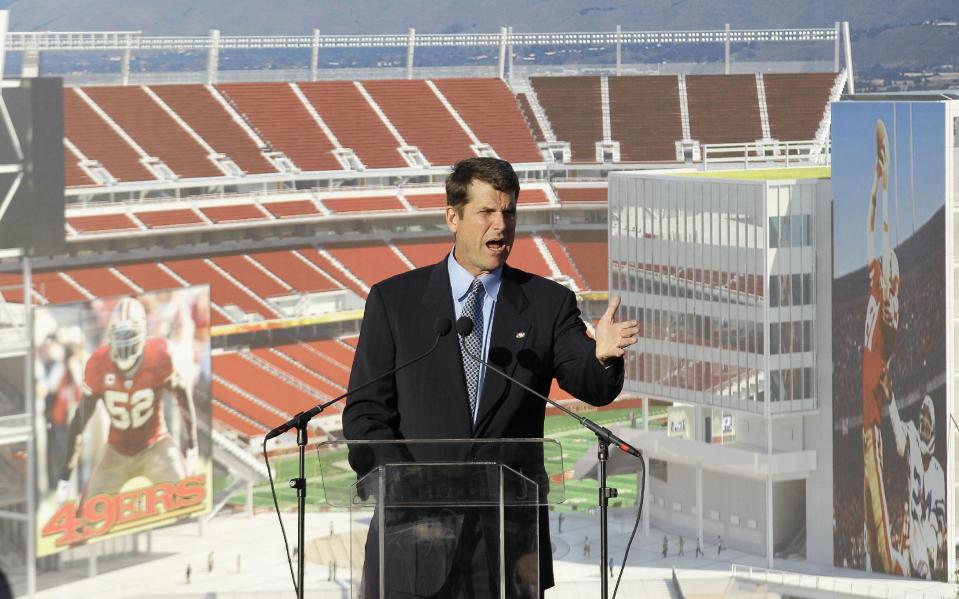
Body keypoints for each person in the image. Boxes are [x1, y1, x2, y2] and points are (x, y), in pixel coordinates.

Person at [343, 157, 637, 599]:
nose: (501, 225)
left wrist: (602, 356)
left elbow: (591, 384)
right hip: (413, 542)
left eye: (509, 212)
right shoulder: (394, 301)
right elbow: (366, 416)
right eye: (486, 212)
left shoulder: (546, 302)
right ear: (453, 217)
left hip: (509, 548)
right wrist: (409, 490)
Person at [56, 297, 199, 505]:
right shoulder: (98, 363)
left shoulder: (159, 355)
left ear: (142, 334)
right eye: (119, 334)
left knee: (185, 503)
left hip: (155, 445)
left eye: (128, 334)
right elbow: (79, 422)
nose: (124, 342)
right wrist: (65, 477)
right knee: (86, 519)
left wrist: (192, 445)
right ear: (110, 335)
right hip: (116, 451)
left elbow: (182, 393)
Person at [860, 118, 902, 576]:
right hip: (863, 413)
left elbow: (884, 226)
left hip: (873, 414)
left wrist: (886, 184)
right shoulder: (875, 286)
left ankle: (890, 568)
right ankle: (879, 562)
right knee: (871, 505)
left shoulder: (891, 311)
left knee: (879, 504)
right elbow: (873, 220)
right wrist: (878, 176)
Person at [887, 390, 945, 579]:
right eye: (922, 416)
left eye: (927, 417)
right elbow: (900, 442)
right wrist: (891, 401)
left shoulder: (938, 472)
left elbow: (939, 512)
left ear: (933, 424)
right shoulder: (912, 439)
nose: (923, 421)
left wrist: (932, 541)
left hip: (927, 543)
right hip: (913, 537)